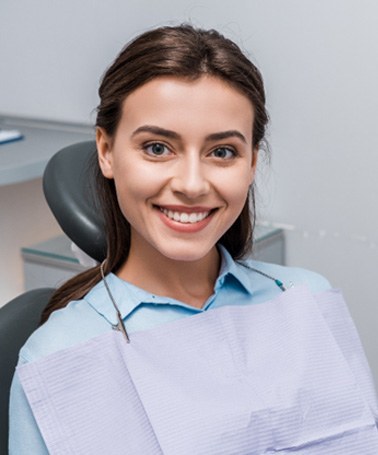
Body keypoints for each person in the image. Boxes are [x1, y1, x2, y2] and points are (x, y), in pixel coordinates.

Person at [9, 25, 378, 454]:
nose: (191, 183)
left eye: (222, 152)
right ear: (106, 151)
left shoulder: (304, 298)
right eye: (157, 148)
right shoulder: (58, 355)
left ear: (252, 162)